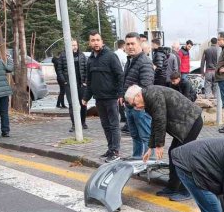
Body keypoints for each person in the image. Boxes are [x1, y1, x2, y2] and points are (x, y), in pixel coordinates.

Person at [124, 83, 202, 202]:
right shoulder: (148, 98)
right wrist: (151, 147)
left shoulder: (152, 95)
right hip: (184, 125)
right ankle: (172, 187)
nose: (136, 107)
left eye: (134, 104)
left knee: (182, 157)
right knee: (173, 153)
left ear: (138, 95)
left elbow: (161, 120)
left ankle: (187, 190)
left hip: (191, 122)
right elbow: (155, 124)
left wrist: (160, 145)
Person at [83, 30, 124, 162]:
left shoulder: (111, 56)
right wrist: (86, 97)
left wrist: (120, 94)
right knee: (105, 125)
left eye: (97, 40)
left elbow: (120, 75)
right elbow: (89, 81)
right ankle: (110, 149)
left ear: (102, 41)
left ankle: (116, 151)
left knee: (114, 125)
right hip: (98, 98)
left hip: (111, 97)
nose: (95, 42)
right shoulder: (90, 59)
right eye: (93, 40)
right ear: (89, 43)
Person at [120, 32, 154, 160]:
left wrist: (135, 102)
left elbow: (146, 86)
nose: (130, 46)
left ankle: (150, 162)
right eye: (127, 44)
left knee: (146, 136)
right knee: (135, 136)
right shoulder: (130, 60)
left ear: (139, 44)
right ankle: (137, 160)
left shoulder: (144, 62)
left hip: (140, 107)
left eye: (132, 43)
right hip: (130, 106)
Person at [58, 39, 88, 132]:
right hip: (69, 85)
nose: (74, 47)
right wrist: (64, 81)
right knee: (71, 105)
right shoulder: (63, 56)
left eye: (75, 45)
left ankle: (82, 122)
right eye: (72, 45)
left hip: (81, 84)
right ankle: (74, 124)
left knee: (83, 103)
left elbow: (87, 69)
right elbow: (59, 70)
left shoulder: (82, 55)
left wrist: (85, 81)